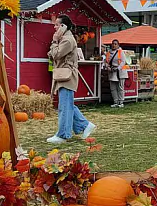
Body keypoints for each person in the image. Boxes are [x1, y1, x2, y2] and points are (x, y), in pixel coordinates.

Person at [46, 14, 96, 145]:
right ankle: (85, 125)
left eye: (57, 24)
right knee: (68, 105)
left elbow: (55, 54)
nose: (54, 27)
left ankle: (63, 135)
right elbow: (52, 54)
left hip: (67, 76)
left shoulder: (67, 40)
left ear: (64, 26)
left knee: (64, 107)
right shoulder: (65, 39)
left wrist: (55, 41)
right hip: (64, 75)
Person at [103, 39, 126, 108]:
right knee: (113, 88)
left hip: (120, 72)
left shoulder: (120, 52)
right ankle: (115, 101)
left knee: (120, 87)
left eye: (115, 44)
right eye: (113, 44)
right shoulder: (108, 53)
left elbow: (123, 61)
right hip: (112, 71)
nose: (114, 45)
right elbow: (106, 62)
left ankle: (121, 102)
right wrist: (108, 67)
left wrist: (118, 68)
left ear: (118, 45)